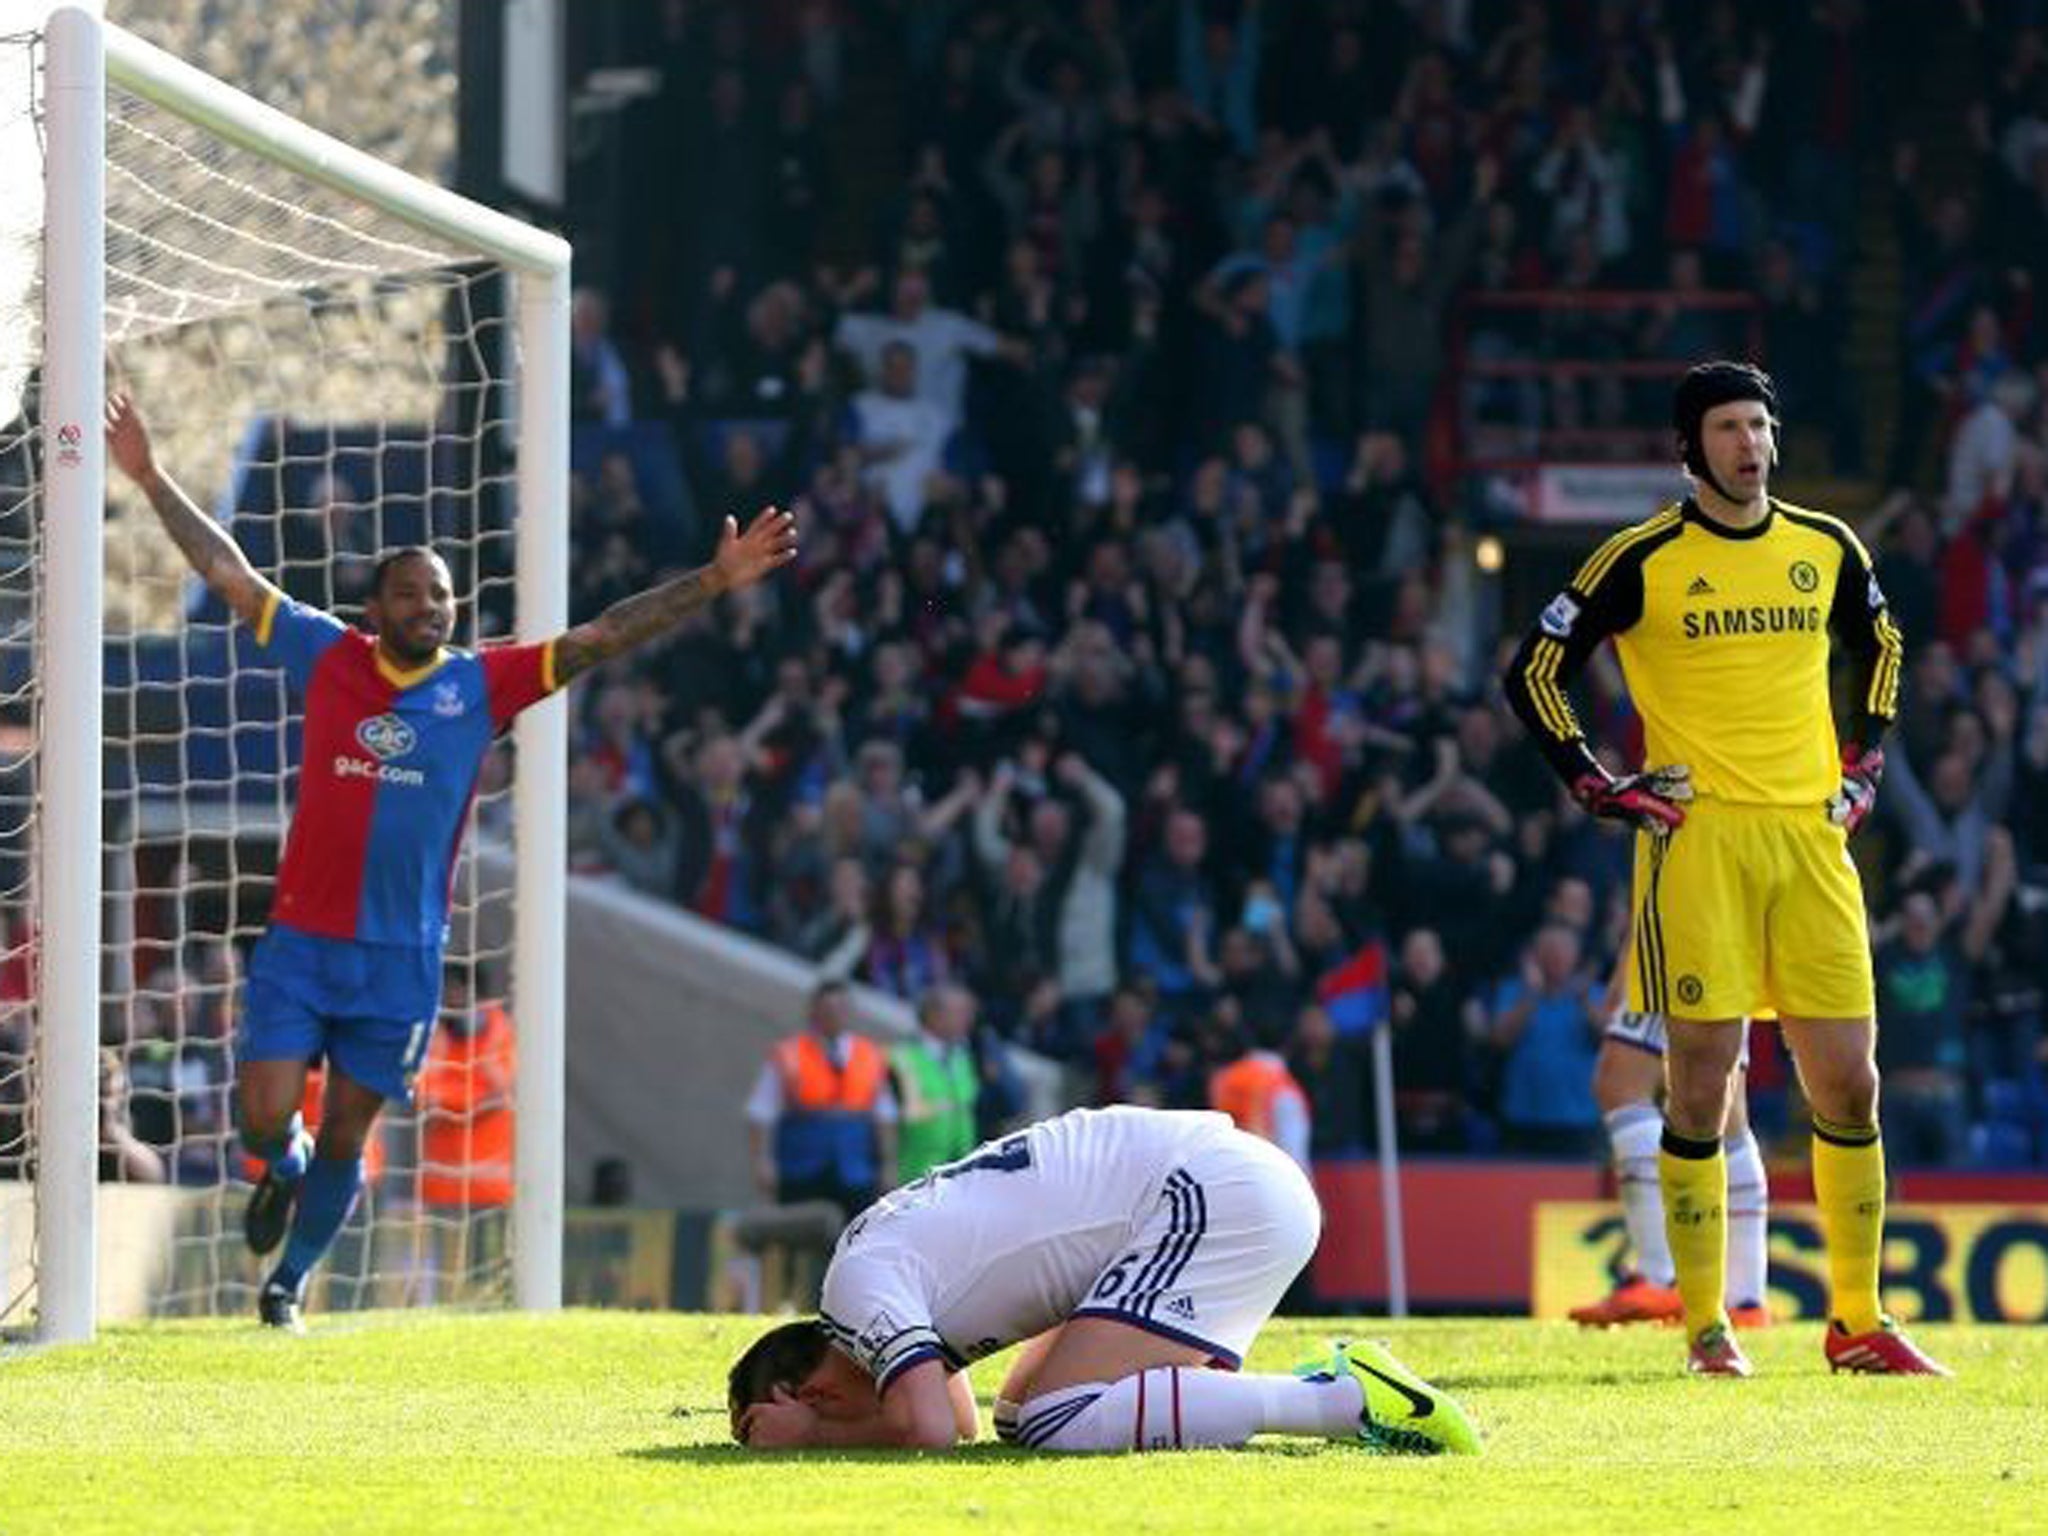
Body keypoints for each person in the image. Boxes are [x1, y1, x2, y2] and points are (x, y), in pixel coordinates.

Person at [105, 393, 798, 1331]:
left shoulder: (482, 682)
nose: (429, 607)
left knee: (355, 1126)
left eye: (440, 594)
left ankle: (288, 1285)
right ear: (374, 606)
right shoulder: (328, 653)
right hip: (304, 939)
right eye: (409, 593)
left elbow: (603, 634)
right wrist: (148, 476)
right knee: (266, 1114)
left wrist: (711, 582)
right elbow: (228, 575)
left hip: (400, 959)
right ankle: (285, 1162)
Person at [1501, 360, 1943, 1377]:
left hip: (1808, 841)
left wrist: (1863, 760)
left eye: (1758, 425)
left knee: (1849, 1081)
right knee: (1699, 1083)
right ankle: (1704, 1325)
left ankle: (1856, 1322)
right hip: (1695, 842)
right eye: (1728, 428)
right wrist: (1595, 783)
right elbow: (1532, 669)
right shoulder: (1640, 555)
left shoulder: (1823, 545)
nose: (1749, 444)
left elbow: (1879, 640)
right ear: (1689, 446)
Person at [727, 1105, 1480, 1456]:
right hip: (1211, 1188)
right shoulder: (874, 1276)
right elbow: (954, 1421)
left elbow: (924, 1430)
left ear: (809, 1390)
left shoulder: (852, 1292)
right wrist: (837, 1422)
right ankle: (1336, 1391)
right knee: (1022, 1416)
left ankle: (1349, 1401)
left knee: (1059, 1420)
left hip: (1207, 1193)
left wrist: (814, 1435)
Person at [1568, 923, 1771, 1329]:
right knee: (1727, 1109)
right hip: (1735, 929)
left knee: (1620, 1084)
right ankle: (1745, 1299)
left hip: (1682, 927)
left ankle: (1658, 1276)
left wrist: (1628, 960)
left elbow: (1661, 864)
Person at [744, 979, 898, 1218]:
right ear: (813, 1011)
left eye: (841, 1009)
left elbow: (885, 1114)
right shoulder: (789, 1052)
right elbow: (761, 1111)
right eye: (827, 1010)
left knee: (856, 1234)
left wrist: (886, 1164)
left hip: (855, 1166)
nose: (834, 1016)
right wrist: (763, 1161)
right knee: (800, 1231)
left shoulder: (870, 1054)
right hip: (800, 1164)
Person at [889, 983, 980, 1182]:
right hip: (915, 1175)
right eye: (960, 1012)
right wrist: (888, 1168)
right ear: (932, 1015)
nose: (968, 1020)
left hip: (959, 1172)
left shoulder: (961, 1055)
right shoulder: (902, 1058)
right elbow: (887, 1119)